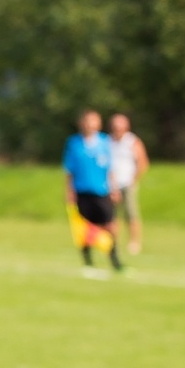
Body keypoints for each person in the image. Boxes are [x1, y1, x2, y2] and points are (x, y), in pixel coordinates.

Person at [64, 109, 121, 272]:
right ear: (82, 123)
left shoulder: (104, 142)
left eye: (94, 120)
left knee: (109, 225)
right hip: (82, 191)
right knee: (85, 229)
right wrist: (69, 191)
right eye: (87, 120)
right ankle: (88, 261)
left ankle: (115, 259)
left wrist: (114, 188)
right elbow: (69, 170)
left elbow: (110, 169)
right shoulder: (74, 143)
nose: (90, 124)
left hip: (101, 191)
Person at [108, 113, 148, 255]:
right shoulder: (107, 141)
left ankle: (134, 242)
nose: (117, 128)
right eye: (115, 125)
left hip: (127, 183)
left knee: (131, 214)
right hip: (111, 185)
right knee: (111, 216)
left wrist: (133, 180)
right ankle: (113, 242)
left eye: (120, 125)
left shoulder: (132, 141)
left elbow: (143, 163)